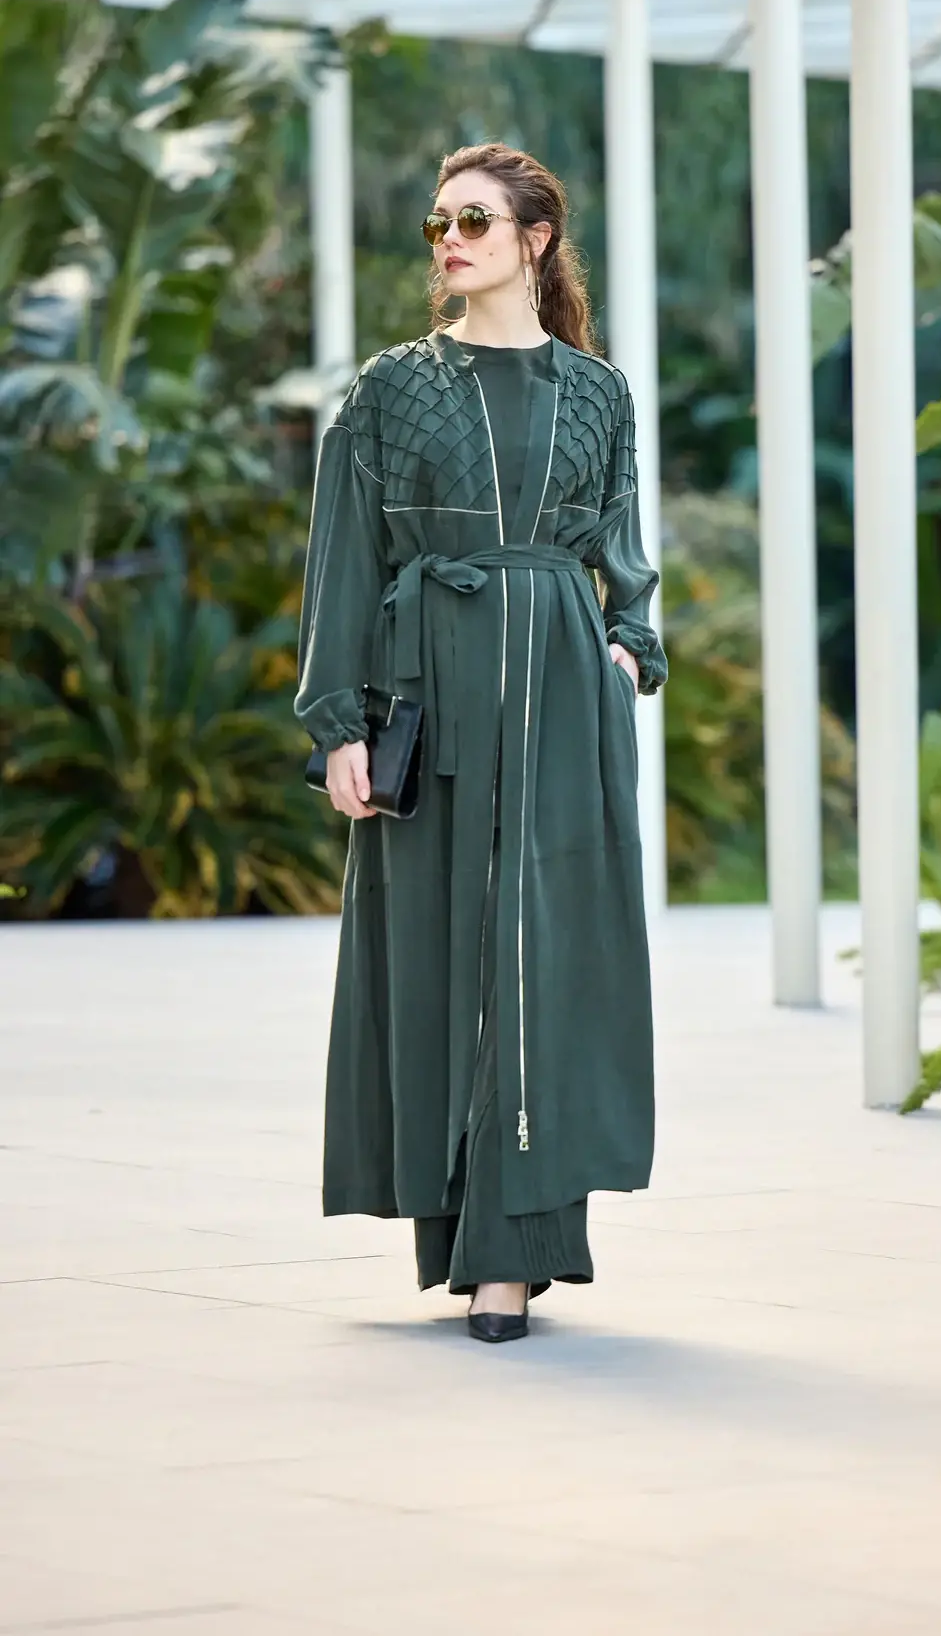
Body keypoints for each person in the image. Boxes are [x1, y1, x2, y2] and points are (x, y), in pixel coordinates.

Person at [294, 141, 668, 1343]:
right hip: (428, 696)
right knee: (442, 957)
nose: (449, 241)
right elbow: (344, 559)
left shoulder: (598, 393)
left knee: (543, 961)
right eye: (438, 224)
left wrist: (626, 653)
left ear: (533, 240)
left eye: (473, 221)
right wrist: (338, 723)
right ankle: (461, 1232)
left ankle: (513, 1251)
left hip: (564, 697)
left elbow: (624, 552)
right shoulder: (391, 387)